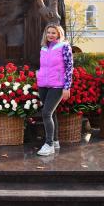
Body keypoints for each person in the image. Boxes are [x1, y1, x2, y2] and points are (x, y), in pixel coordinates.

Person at [36, 23, 73, 156]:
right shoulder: (44, 48)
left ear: (59, 34)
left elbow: (69, 67)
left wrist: (66, 87)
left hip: (57, 85)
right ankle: (56, 141)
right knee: (52, 113)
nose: (50, 35)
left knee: (46, 113)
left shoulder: (64, 46)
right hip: (43, 85)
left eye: (53, 33)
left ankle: (49, 144)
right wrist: (38, 75)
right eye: (49, 32)